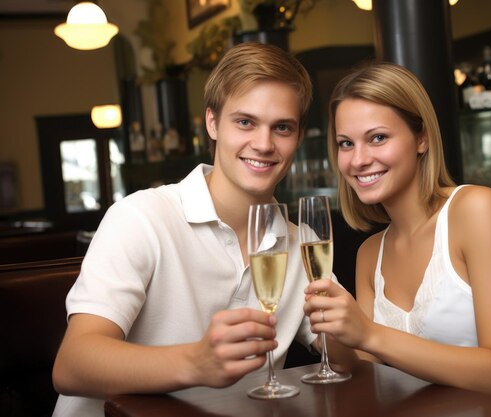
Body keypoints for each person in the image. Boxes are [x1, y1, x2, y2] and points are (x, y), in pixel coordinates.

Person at [52, 42, 352, 417]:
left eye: (282, 128)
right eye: (245, 122)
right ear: (212, 122)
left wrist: (351, 334)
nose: (263, 144)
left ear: (297, 136)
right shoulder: (141, 217)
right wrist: (196, 362)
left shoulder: (303, 242)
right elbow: (72, 365)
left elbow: (346, 354)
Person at [303, 62, 491, 415]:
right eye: (345, 143)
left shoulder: (476, 210)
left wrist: (368, 334)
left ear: (422, 137)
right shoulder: (370, 253)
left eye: (378, 137)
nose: (359, 159)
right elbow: (368, 369)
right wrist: (328, 328)